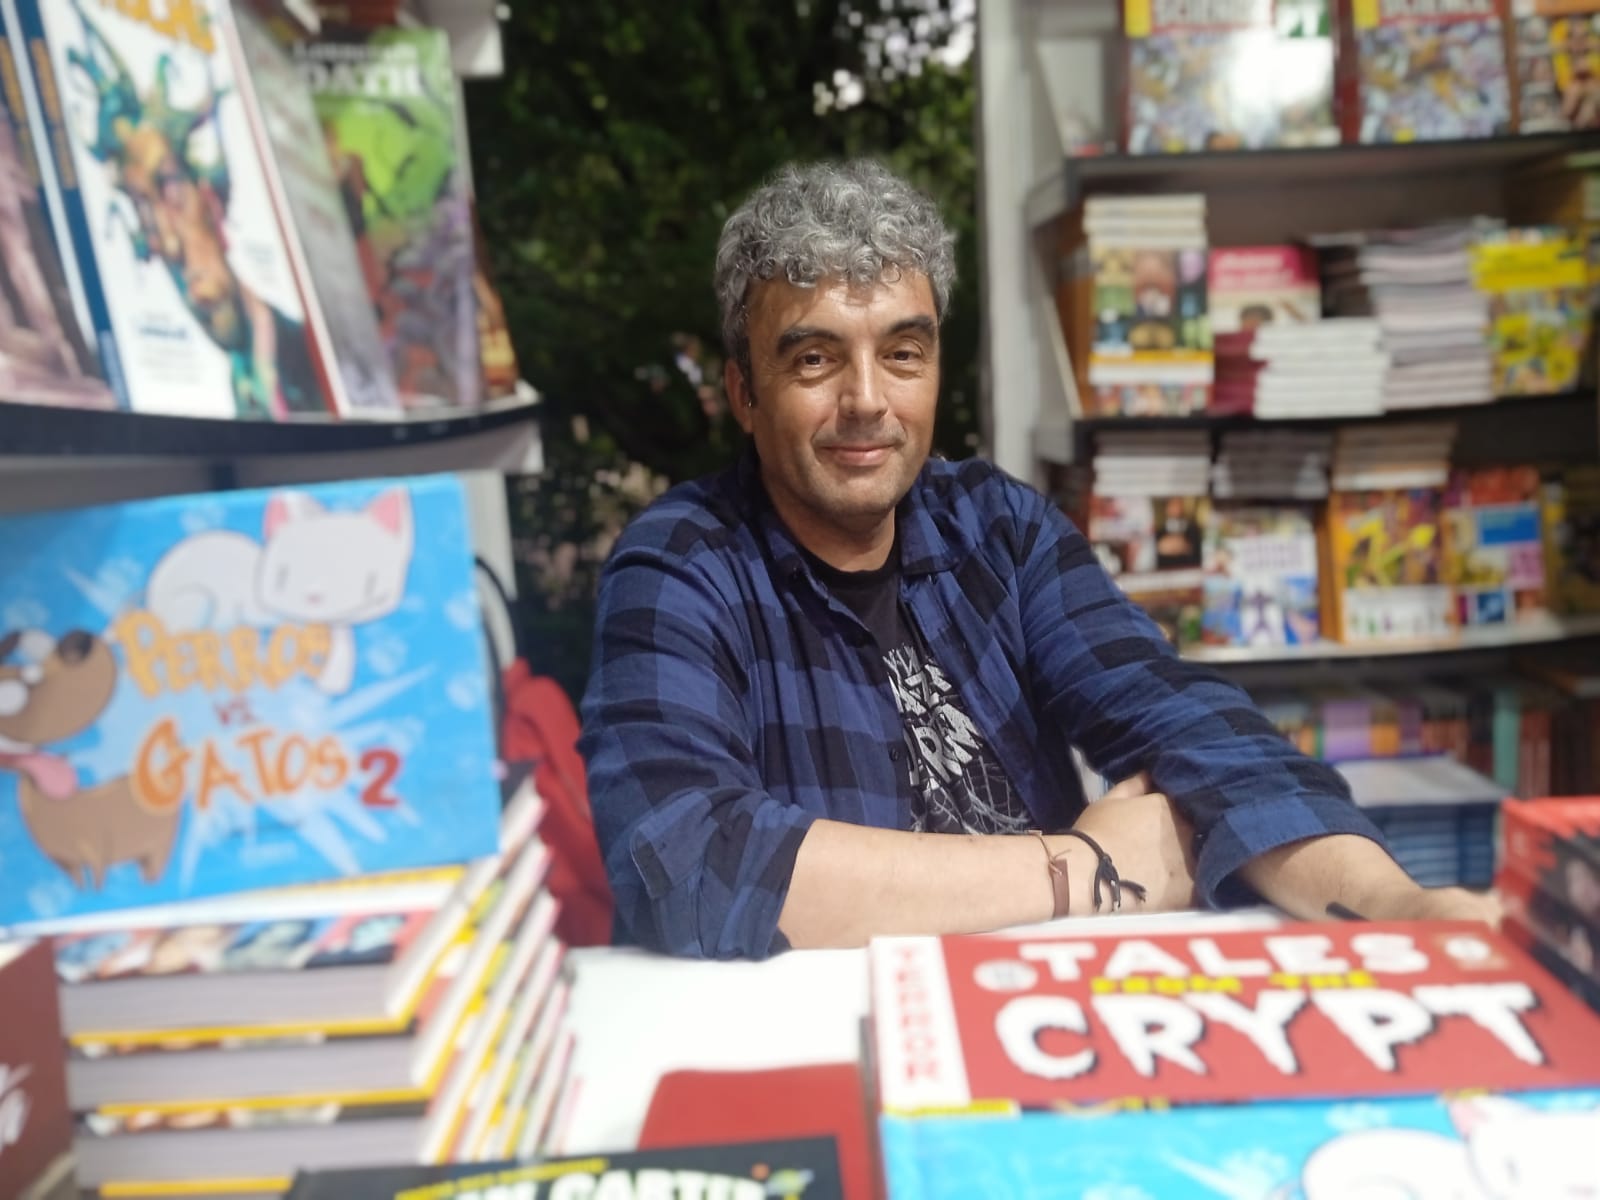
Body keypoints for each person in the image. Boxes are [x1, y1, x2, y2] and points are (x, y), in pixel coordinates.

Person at [578, 159, 1498, 961]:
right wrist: (1086, 866)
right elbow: (688, 862)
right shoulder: (681, 566)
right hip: (833, 1041)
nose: (867, 400)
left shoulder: (996, 527)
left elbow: (1192, 726)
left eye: (903, 353)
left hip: (1043, 1005)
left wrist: (1399, 908)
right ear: (744, 392)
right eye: (815, 359)